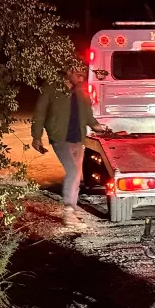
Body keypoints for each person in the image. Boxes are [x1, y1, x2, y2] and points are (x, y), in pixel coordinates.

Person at [31, 67, 109, 226]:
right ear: (68, 72)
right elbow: (39, 112)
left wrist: (100, 127)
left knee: (76, 174)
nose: (81, 79)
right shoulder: (52, 88)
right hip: (60, 138)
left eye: (83, 75)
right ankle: (68, 212)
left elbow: (88, 116)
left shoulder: (81, 92)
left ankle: (72, 208)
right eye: (78, 75)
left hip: (77, 139)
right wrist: (36, 137)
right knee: (73, 171)